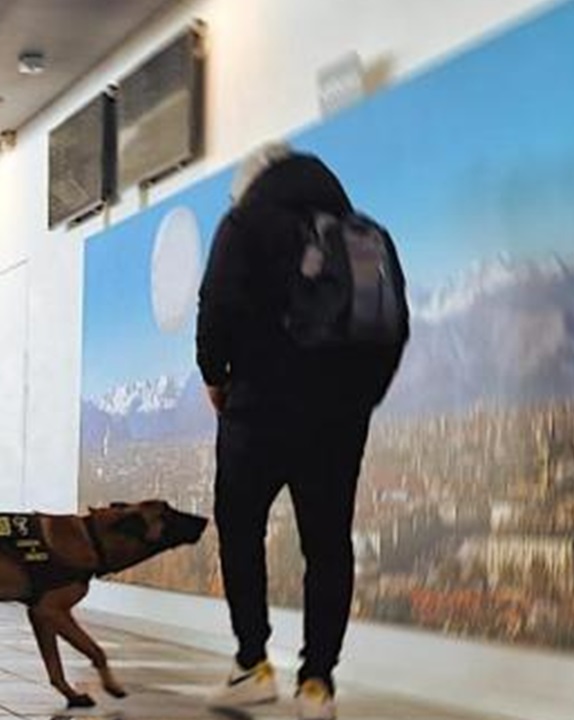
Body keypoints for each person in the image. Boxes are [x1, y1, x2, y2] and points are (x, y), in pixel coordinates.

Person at [197, 144, 407, 720]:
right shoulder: (366, 234)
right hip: (338, 420)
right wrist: (360, 400)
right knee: (328, 545)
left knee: (241, 528)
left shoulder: (244, 222)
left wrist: (216, 378)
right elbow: (393, 328)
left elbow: (217, 304)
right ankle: (317, 685)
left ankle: (252, 664)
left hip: (258, 409)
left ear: (251, 183)